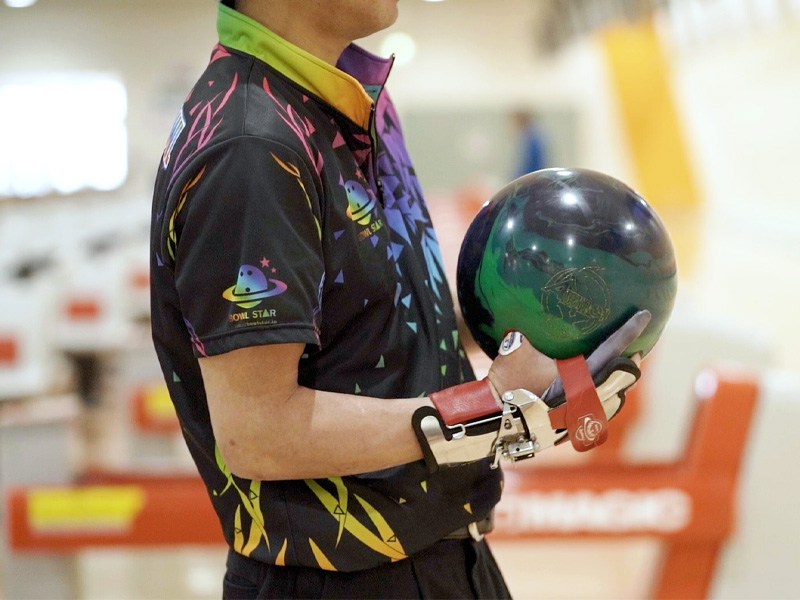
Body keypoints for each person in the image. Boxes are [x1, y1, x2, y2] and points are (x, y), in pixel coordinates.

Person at [149, 1, 647, 597]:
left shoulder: (363, 105)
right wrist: (489, 406)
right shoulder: (251, 145)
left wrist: (540, 330)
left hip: (450, 552)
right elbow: (258, 432)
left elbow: (379, 323)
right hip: (337, 580)